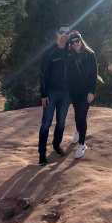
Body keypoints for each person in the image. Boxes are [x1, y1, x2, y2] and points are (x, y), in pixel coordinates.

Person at [38, 26, 71, 166]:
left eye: (67, 33)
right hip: (51, 93)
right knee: (46, 123)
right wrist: (43, 94)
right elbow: (43, 74)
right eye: (62, 32)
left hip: (66, 94)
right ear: (56, 34)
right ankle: (42, 154)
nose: (64, 35)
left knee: (61, 122)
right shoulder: (49, 53)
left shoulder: (71, 51)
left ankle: (56, 145)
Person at [66, 30, 98, 159]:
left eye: (77, 41)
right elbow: (68, 74)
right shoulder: (69, 55)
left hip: (86, 92)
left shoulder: (90, 54)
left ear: (81, 40)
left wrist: (92, 92)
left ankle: (82, 144)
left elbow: (94, 75)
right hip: (74, 91)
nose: (75, 44)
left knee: (82, 116)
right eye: (72, 42)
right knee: (77, 113)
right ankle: (78, 131)